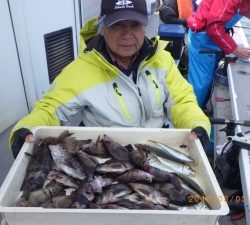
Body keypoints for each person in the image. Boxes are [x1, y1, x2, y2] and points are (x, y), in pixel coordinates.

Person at [9, 0, 211, 158]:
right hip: (105, 155)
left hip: (157, 150)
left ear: (144, 27)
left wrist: (197, 124)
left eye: (135, 25)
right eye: (117, 25)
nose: (127, 34)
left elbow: (183, 100)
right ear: (102, 27)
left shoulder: (163, 60)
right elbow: (49, 107)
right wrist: (26, 130)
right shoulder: (80, 70)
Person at [187, 0, 250, 108]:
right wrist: (236, 49)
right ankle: (192, 117)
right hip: (203, 40)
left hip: (213, 40)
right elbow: (214, 26)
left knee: (208, 78)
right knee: (201, 83)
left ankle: (200, 108)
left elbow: (245, 9)